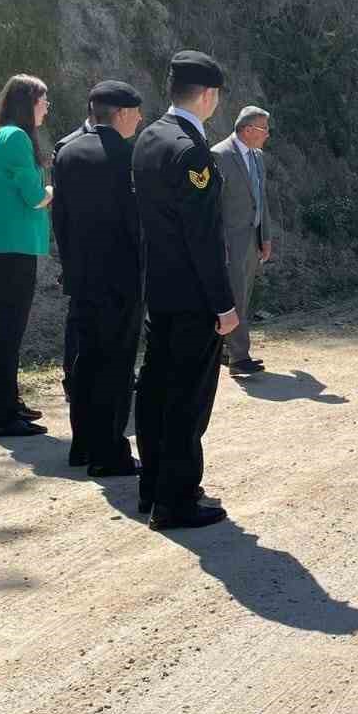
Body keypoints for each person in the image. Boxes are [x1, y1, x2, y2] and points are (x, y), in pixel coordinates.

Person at [131, 50, 238, 530]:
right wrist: (224, 304)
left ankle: (153, 487)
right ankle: (176, 501)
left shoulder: (150, 137)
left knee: (155, 388)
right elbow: (203, 240)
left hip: (159, 289)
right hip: (194, 297)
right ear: (209, 95)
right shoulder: (192, 152)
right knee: (188, 397)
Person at [51, 80, 146, 476]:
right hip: (120, 281)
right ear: (121, 114)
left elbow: (60, 220)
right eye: (136, 113)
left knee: (85, 362)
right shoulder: (128, 156)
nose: (140, 120)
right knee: (116, 368)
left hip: (82, 278)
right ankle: (109, 454)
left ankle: (84, 445)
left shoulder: (67, 151)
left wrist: (72, 267)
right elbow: (137, 225)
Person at [0, 74, 54, 438]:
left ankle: (9, 403)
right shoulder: (17, 138)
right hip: (13, 246)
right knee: (9, 331)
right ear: (27, 103)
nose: (46, 107)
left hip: (2, 242)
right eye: (43, 100)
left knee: (8, 328)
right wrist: (53, 188)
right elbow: (34, 197)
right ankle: (3, 415)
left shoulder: (1, 134)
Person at [212, 106, 275, 376]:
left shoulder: (257, 156)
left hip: (251, 240)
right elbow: (211, 206)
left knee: (242, 297)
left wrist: (265, 236)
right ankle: (239, 358)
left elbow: (261, 200)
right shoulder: (220, 155)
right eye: (264, 129)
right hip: (230, 242)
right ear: (248, 130)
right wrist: (218, 242)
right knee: (235, 297)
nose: (268, 134)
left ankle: (225, 351)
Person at [51, 115, 94, 405]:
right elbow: (62, 211)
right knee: (78, 316)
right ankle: (73, 378)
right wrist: (68, 256)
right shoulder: (67, 146)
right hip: (80, 247)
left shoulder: (118, 143)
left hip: (109, 247)